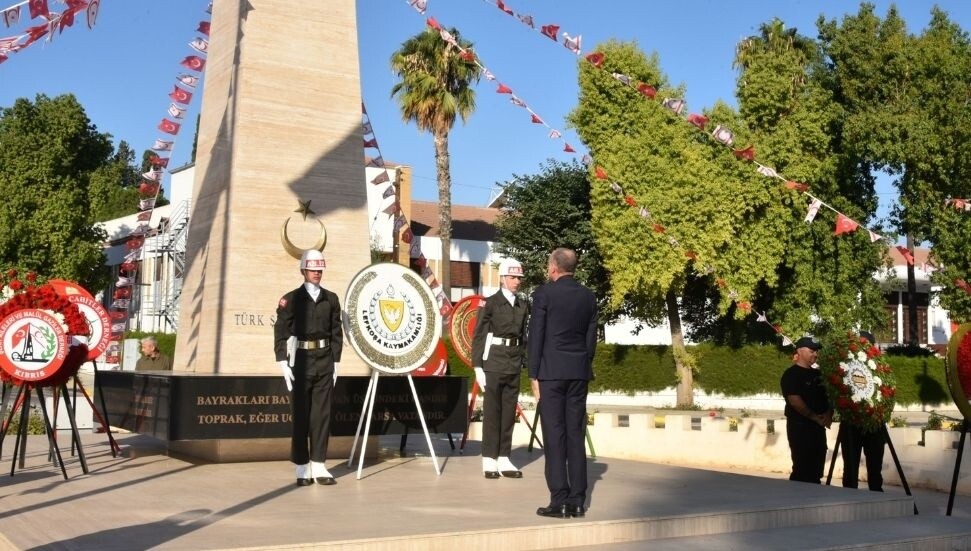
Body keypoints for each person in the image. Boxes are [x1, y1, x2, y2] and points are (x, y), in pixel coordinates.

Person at [527, 248, 597, 519]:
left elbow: (537, 336)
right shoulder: (589, 296)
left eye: (548, 264)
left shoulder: (544, 294)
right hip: (579, 371)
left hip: (551, 373)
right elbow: (591, 338)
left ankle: (559, 500)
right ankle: (578, 501)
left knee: (555, 436)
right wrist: (582, 362)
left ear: (554, 267)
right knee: (575, 434)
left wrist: (533, 374)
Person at [274, 249, 343, 487]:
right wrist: (282, 360)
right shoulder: (291, 299)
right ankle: (302, 466)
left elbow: (336, 332)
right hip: (300, 362)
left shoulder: (331, 299)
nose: (317, 273)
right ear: (303, 270)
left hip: (324, 360)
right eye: (313, 269)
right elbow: (281, 330)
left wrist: (336, 362)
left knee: (321, 416)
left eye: (319, 269)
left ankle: (319, 464)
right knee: (301, 417)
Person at [471, 257, 529, 479]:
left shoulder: (522, 305)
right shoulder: (490, 303)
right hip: (494, 362)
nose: (517, 281)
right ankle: (489, 459)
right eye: (513, 277)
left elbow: (523, 337)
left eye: (519, 278)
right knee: (493, 412)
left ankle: (504, 456)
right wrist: (478, 367)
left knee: (508, 413)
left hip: (513, 362)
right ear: (503, 278)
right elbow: (479, 336)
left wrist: (525, 362)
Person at [781, 336, 832, 484]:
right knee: (802, 469)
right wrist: (815, 417)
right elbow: (794, 401)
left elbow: (829, 396)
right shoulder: (791, 374)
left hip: (818, 428)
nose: (815, 354)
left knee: (817, 469)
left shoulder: (819, 374)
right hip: (800, 427)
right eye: (811, 351)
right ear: (800, 351)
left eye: (816, 351)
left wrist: (828, 414)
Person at [841, 331, 885, 491]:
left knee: (875, 467)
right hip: (851, 422)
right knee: (850, 468)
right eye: (858, 343)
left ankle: (876, 496)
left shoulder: (880, 368)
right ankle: (850, 497)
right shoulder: (845, 365)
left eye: (865, 344)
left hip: (874, 422)